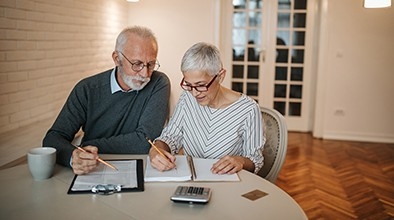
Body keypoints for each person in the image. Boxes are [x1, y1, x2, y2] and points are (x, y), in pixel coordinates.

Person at [43, 26, 171, 175]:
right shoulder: (87, 89)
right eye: (137, 64)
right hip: (94, 170)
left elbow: (145, 141)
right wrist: (74, 157)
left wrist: (88, 145)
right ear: (117, 59)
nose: (145, 73)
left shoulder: (158, 82)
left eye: (151, 64)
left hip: (141, 169)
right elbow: (53, 139)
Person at [149, 42, 265, 175]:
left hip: (227, 182)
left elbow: (255, 159)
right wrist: (156, 148)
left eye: (201, 85)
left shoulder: (248, 109)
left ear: (220, 76)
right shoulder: (187, 97)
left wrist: (241, 161)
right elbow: (171, 136)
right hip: (190, 179)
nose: (195, 93)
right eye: (188, 84)